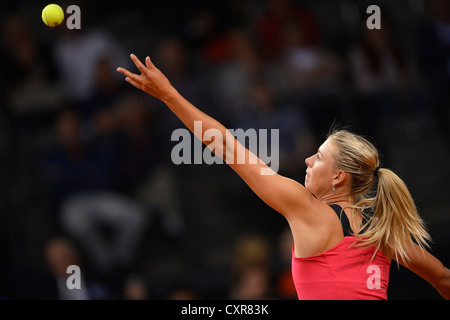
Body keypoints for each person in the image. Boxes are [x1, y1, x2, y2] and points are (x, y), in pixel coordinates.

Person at [116, 54, 450, 300]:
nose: (306, 159)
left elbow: (229, 148)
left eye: (318, 157)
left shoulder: (309, 210)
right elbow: (443, 279)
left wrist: (169, 96)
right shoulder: (382, 232)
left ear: (338, 178)